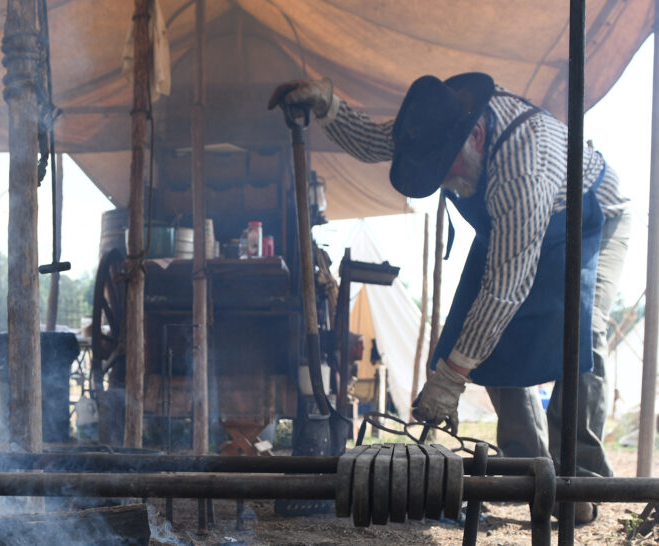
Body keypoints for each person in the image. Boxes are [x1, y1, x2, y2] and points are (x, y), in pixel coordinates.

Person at [269, 75, 631, 523]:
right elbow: (377, 141)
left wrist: (450, 379)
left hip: (589, 215)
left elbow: (505, 291)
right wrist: (328, 105)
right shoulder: (440, 121)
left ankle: (580, 480)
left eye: (448, 168)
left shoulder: (522, 168)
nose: (446, 180)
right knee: (495, 344)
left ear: (475, 136)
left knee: (580, 336)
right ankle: (527, 470)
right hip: (511, 226)